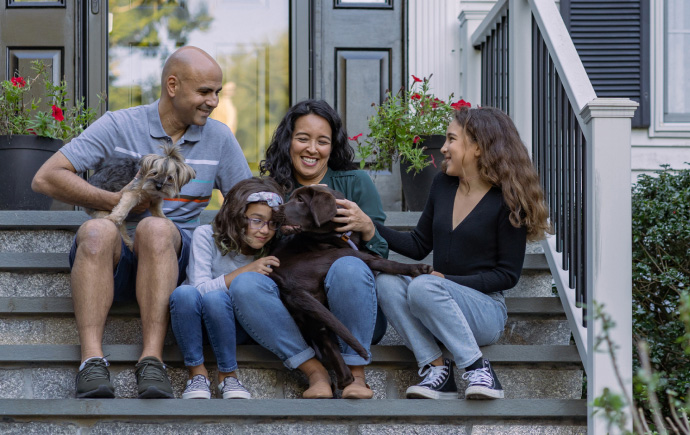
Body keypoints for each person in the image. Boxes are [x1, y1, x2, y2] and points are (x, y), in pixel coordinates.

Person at [31, 46, 252, 399]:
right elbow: (46, 178)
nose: (213, 101)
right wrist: (117, 201)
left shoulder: (219, 137)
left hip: (169, 257)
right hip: (112, 259)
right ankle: (91, 361)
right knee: (95, 230)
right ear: (172, 85)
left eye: (217, 93)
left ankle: (152, 361)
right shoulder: (120, 125)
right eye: (204, 92)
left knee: (155, 228)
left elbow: (246, 201)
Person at [373, 105, 551, 400]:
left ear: (478, 147)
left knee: (425, 286)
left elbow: (506, 276)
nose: (443, 148)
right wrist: (371, 227)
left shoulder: (507, 200)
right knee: (386, 281)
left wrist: (446, 281)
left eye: (451, 139)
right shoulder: (443, 184)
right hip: (435, 296)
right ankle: (436, 370)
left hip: (485, 311)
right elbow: (419, 245)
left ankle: (478, 368)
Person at [225, 99, 386, 399]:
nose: (312, 149)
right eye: (303, 138)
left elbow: (379, 258)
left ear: (332, 146)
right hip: (292, 314)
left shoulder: (355, 183)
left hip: (350, 309)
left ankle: (356, 376)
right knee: (246, 284)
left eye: (322, 141)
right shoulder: (270, 189)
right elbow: (250, 249)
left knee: (349, 266)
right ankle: (316, 373)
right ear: (288, 141)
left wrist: (368, 228)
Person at [169, 177, 283, 400]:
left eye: (272, 223)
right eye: (257, 220)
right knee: (184, 293)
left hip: (238, 328)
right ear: (237, 215)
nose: (265, 230)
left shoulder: (273, 250)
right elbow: (198, 288)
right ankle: (197, 373)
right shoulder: (206, 235)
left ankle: (228, 375)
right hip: (193, 323)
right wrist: (246, 270)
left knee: (216, 299)